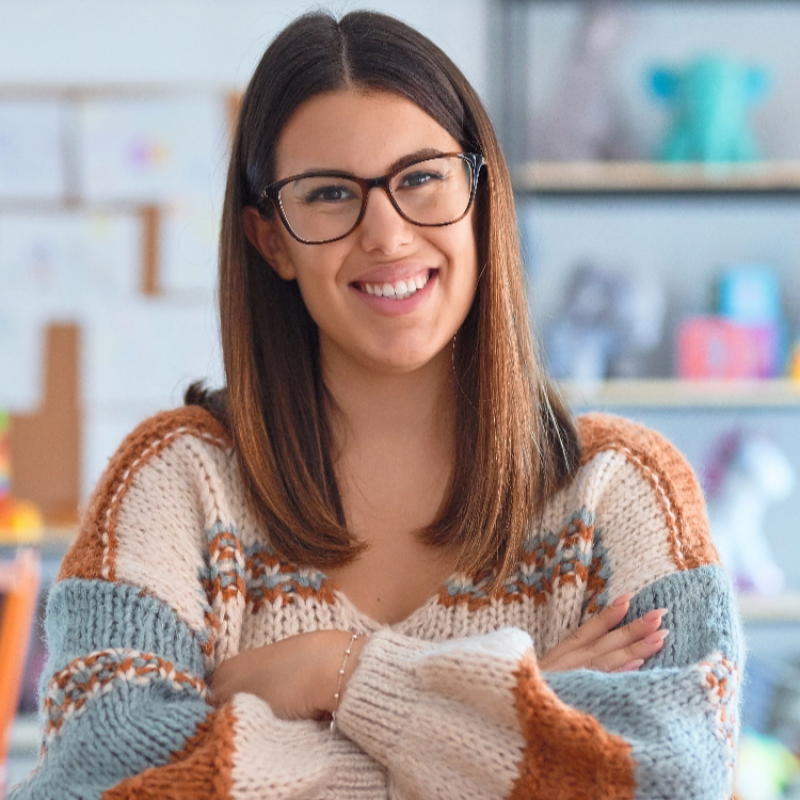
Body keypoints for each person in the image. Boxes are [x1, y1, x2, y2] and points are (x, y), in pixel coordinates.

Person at [11, 10, 742, 800]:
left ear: (480, 193)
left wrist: (336, 673)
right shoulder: (175, 483)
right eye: (329, 194)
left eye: (421, 177)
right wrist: (515, 702)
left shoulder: (622, 489)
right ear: (271, 240)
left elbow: (676, 776)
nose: (388, 235)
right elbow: (101, 777)